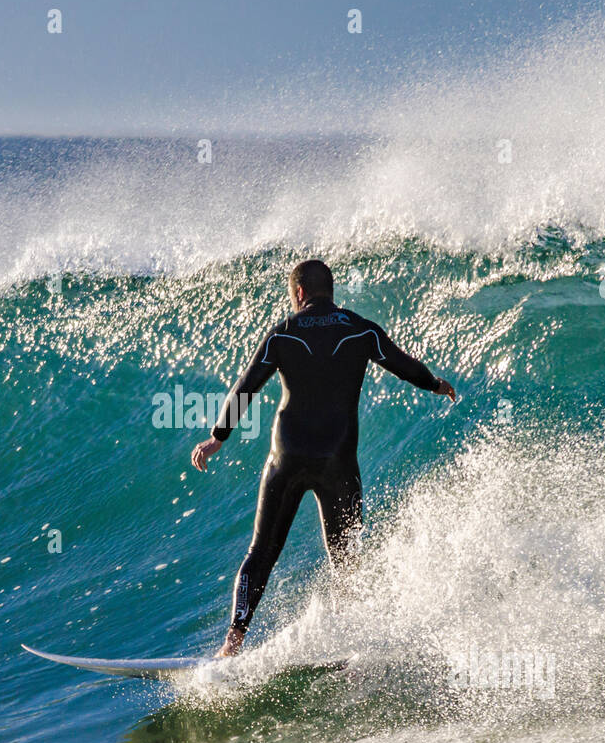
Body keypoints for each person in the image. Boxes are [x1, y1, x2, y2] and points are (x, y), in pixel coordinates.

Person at [191, 259, 456, 657]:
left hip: (288, 455)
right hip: (337, 460)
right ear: (330, 291)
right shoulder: (360, 328)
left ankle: (233, 641)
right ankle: (349, 647)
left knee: (261, 552)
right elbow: (402, 365)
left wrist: (217, 437)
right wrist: (435, 384)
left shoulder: (283, 333)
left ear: (299, 293)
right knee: (346, 559)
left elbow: (246, 387)